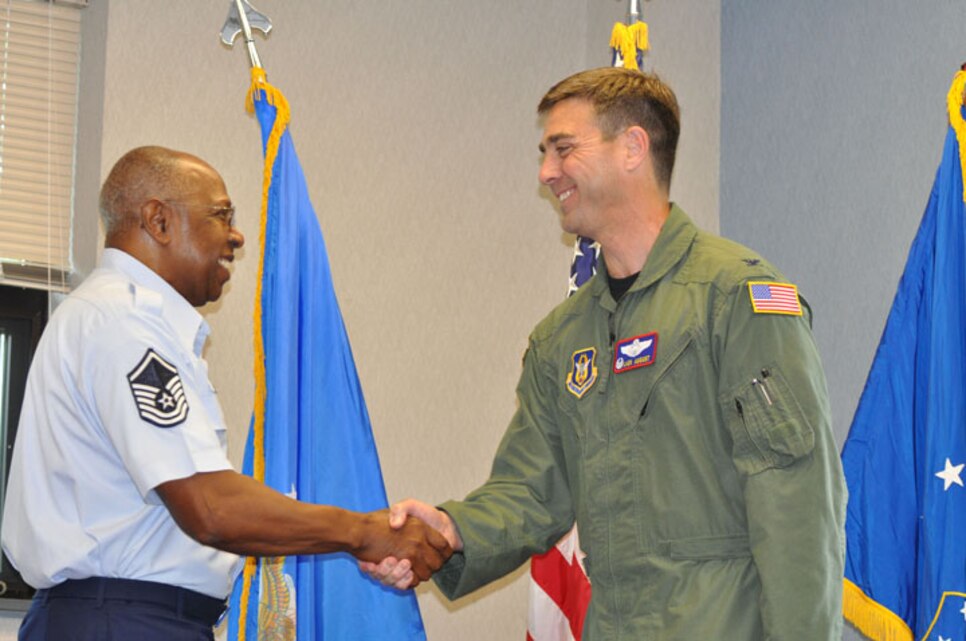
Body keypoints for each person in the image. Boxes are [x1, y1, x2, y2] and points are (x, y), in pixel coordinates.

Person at [363, 67, 847, 640]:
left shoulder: (736, 300)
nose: (546, 173)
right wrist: (449, 530)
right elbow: (530, 492)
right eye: (545, 153)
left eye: (563, 149)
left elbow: (796, 509)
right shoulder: (561, 340)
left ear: (633, 147)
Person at [1, 146, 451, 641]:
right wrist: (361, 532)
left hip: (132, 617)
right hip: (120, 621)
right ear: (159, 220)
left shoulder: (122, 321)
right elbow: (210, 508)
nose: (236, 235)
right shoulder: (123, 323)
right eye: (220, 215)